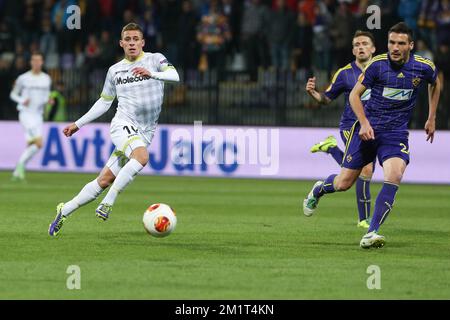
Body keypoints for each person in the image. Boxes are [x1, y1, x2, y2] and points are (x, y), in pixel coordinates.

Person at [302, 22, 441, 249]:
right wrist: (364, 123)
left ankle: (371, 232)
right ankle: (319, 189)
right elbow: (354, 96)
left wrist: (432, 116)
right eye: (391, 42)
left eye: (400, 43)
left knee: (394, 174)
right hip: (366, 130)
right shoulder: (377, 65)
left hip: (395, 133)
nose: (395, 47)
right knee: (344, 182)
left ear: (411, 45)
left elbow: (436, 83)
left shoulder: (423, 67)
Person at [48, 23, 180, 236]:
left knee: (104, 180)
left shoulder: (156, 59)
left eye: (136, 39)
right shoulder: (115, 70)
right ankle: (108, 203)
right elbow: (104, 102)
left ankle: (64, 210)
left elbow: (175, 76)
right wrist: (78, 124)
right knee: (141, 157)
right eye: (127, 39)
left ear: (143, 42)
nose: (132, 43)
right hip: (122, 125)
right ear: (121, 43)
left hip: (145, 131)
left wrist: (152, 74)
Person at [306, 30, 376, 229]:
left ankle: (330, 153)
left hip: (375, 127)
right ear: (353, 50)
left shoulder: (382, 68)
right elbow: (326, 99)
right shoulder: (345, 73)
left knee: (346, 182)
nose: (360, 47)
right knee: (366, 168)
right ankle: (364, 220)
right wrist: (313, 93)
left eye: (364, 43)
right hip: (351, 126)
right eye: (356, 44)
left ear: (373, 48)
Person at [10, 52, 52, 181]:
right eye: (34, 60)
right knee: (39, 143)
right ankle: (20, 166)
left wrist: (48, 100)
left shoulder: (46, 78)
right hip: (26, 114)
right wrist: (22, 100)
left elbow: (45, 96)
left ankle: (18, 171)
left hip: (38, 115)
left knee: (34, 145)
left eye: (39, 60)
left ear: (42, 62)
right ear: (31, 62)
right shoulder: (23, 78)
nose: (36, 63)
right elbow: (13, 94)